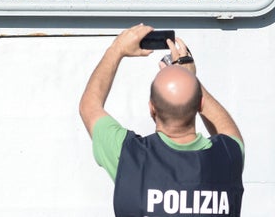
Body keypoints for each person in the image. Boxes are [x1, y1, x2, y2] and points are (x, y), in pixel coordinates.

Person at [79, 24, 244, 216]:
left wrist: (117, 49)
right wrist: (189, 78)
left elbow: (89, 106)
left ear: (151, 109)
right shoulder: (228, 156)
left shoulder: (127, 155)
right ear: (199, 104)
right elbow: (229, 131)